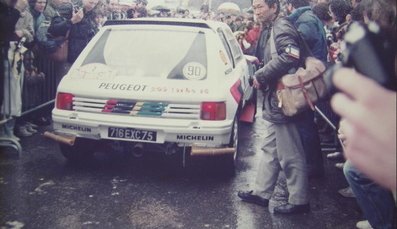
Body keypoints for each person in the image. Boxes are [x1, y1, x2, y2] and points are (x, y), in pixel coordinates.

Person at [237, 0, 310, 214]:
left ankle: (299, 201)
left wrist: (261, 75)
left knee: (290, 152)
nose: (257, 11)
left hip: (283, 98)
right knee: (270, 148)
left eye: (261, 7)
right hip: (276, 98)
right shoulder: (270, 26)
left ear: (274, 7)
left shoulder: (281, 26)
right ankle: (261, 193)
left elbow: (291, 55)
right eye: (255, 7)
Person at [285, 0, 328, 178]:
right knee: (306, 123)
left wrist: (286, 48)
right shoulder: (308, 17)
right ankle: (311, 163)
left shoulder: (305, 21)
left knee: (305, 124)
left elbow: (295, 48)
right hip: (310, 76)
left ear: (289, 5)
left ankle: (312, 166)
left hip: (308, 78)